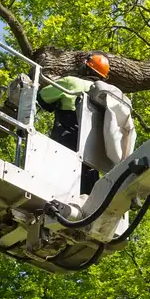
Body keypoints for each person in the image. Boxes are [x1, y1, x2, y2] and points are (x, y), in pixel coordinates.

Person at [37, 52, 110, 194]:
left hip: (66, 144)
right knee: (86, 199)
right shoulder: (106, 96)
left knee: (54, 192)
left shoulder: (71, 82)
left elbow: (43, 98)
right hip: (92, 157)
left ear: (85, 68)